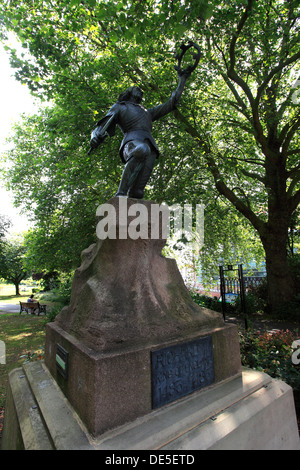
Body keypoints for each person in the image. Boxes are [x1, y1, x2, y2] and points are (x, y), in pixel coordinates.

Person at [89, 69, 192, 199]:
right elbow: (102, 125)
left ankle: (136, 212)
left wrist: (182, 80)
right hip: (132, 143)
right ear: (129, 93)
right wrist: (94, 137)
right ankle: (120, 195)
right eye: (137, 89)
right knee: (142, 149)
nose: (140, 91)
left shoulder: (147, 112)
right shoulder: (120, 106)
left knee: (137, 193)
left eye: (141, 91)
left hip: (151, 148)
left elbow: (171, 103)